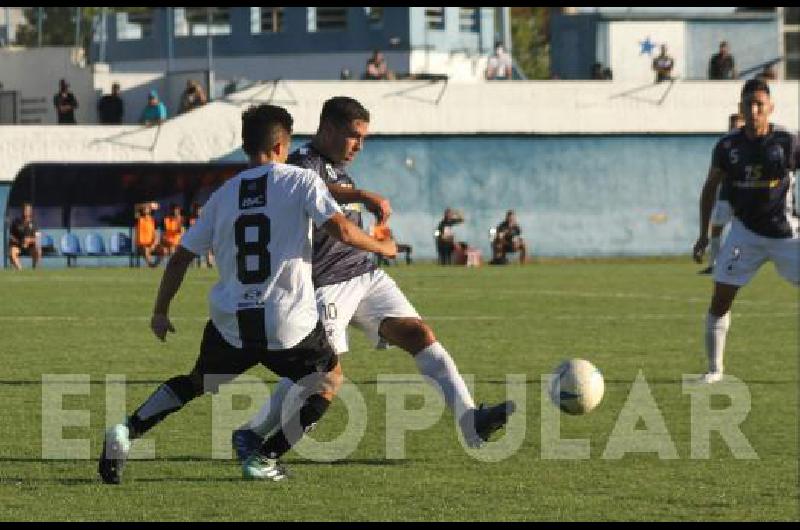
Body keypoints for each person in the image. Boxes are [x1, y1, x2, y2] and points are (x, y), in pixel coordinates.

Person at [98, 103, 397, 485]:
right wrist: (381, 247)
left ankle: (126, 430)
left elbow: (179, 259)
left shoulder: (222, 195)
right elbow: (340, 230)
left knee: (195, 382)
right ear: (281, 146)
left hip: (232, 321)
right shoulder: (300, 181)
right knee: (328, 380)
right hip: (287, 321)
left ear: (246, 146)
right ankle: (265, 457)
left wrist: (160, 312)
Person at [230, 97, 516, 467]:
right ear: (328, 128)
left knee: (419, 334)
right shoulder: (301, 163)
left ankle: (471, 422)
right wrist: (362, 195)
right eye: (353, 136)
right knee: (318, 373)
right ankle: (252, 433)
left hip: (364, 275)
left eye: (363, 138)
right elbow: (313, 188)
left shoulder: (338, 171)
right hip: (325, 284)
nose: (359, 146)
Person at [692, 79, 799, 384]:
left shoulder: (788, 141)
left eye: (759, 105)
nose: (753, 111)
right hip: (745, 234)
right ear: (740, 108)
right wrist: (703, 234)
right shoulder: (728, 146)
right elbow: (710, 187)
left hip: (787, 235)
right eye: (748, 105)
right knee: (720, 299)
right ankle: (714, 371)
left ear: (770, 108)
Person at [698, 112, 746, 275]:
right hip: (726, 195)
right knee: (716, 228)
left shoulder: (752, 146)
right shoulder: (724, 146)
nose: (734, 129)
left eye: (737, 126)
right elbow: (715, 175)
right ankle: (715, 264)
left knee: (743, 230)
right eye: (731, 126)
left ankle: (738, 263)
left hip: (744, 196)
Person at [8, 202, 41, 270]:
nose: (26, 212)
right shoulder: (16, 222)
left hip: (29, 246)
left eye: (28, 210)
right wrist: (20, 242)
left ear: (30, 212)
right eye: (25, 210)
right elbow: (11, 236)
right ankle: (20, 269)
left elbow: (37, 238)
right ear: (22, 210)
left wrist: (29, 240)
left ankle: (35, 269)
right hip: (18, 245)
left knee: (38, 249)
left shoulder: (34, 223)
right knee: (12, 253)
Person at [188, 202, 214, 268]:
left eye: (200, 209)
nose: (199, 211)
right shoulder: (192, 219)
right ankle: (194, 265)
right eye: (198, 210)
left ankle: (209, 263)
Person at [134, 202, 160, 267]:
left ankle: (156, 264)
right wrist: (148, 204)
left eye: (148, 208)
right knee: (146, 250)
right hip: (141, 245)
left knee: (164, 250)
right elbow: (136, 207)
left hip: (151, 244)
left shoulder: (153, 221)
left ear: (150, 210)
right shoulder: (139, 219)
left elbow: (156, 235)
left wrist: (153, 245)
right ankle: (151, 265)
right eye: (144, 208)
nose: (146, 209)